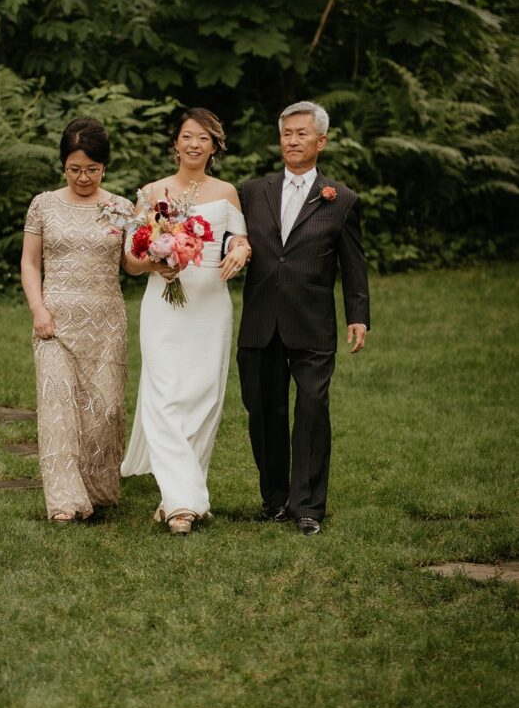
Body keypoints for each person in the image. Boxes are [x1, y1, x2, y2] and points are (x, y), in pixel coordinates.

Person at [235, 101, 370, 535]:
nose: (293, 140)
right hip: (261, 319)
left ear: (321, 141)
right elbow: (232, 242)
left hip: (312, 322)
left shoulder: (341, 199)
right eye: (287, 133)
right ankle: (274, 500)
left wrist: (358, 315)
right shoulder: (252, 192)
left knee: (312, 411)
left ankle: (308, 507)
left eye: (302, 133)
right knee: (264, 411)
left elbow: (353, 264)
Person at [122, 108, 250, 535]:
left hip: (210, 306)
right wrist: (156, 265)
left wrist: (240, 252)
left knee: (203, 397)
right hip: (164, 306)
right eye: (187, 136)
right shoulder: (151, 192)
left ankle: (178, 497)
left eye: (204, 138)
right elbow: (131, 259)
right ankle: (184, 504)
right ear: (175, 143)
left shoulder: (227, 192)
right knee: (163, 397)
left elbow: (241, 240)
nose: (195, 144)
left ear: (214, 147)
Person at [20, 119, 134, 524]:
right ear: (63, 166)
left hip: (106, 323)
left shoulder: (120, 207)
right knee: (58, 410)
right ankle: (64, 500)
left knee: (103, 411)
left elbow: (131, 264)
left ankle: (97, 489)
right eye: (75, 169)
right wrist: (38, 310)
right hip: (55, 320)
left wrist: (163, 255)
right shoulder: (44, 204)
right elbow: (30, 262)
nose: (83, 177)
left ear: (105, 166)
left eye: (92, 169)